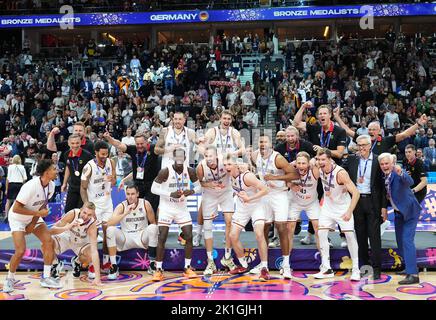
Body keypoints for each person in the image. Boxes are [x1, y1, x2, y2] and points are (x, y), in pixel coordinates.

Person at [3, 159, 62, 292]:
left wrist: (33, 222)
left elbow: (41, 205)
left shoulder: (51, 185)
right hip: (17, 218)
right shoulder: (30, 186)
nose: (56, 171)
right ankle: (10, 279)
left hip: (33, 217)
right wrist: (36, 214)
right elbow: (16, 208)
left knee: (48, 241)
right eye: (54, 169)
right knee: (20, 250)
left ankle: (46, 277)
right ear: (46, 172)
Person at [250, 135, 300, 279]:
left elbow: (294, 174)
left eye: (265, 142)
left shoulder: (277, 158)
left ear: (271, 145)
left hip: (279, 195)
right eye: (260, 142)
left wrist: (275, 178)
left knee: (281, 227)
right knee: (264, 228)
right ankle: (263, 263)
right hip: (264, 194)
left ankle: (286, 264)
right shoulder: (255, 156)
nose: (262, 144)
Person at [150, 148, 201, 281]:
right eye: (177, 156)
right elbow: (153, 188)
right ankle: (158, 269)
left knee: (189, 236)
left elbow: (199, 187)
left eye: (181, 156)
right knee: (162, 237)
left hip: (181, 208)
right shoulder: (165, 171)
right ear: (173, 157)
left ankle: (187, 267)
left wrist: (192, 191)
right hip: (167, 207)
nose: (179, 159)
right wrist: (169, 194)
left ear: (184, 158)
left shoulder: (190, 171)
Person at [343, 135, 387, 280]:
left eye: (363, 145)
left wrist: (383, 207)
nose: (361, 148)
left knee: (374, 238)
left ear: (370, 145)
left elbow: (382, 187)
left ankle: (376, 269)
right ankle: (365, 266)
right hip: (356, 202)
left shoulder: (378, 160)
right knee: (360, 237)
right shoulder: (352, 160)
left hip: (373, 202)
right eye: (359, 145)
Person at [313, 148, 361, 281]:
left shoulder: (340, 173)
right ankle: (326, 268)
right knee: (321, 233)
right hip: (328, 207)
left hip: (343, 208)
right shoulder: (318, 166)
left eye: (323, 159)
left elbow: (356, 193)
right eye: (318, 159)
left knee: (350, 235)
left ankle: (356, 269)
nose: (320, 162)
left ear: (330, 159)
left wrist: (349, 211)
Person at [223, 154, 270, 280]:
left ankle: (265, 268)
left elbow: (265, 190)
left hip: (256, 206)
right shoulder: (228, 175)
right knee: (233, 235)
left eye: (229, 164)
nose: (227, 167)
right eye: (225, 164)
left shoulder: (247, 176)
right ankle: (244, 265)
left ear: (236, 164)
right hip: (242, 208)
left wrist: (250, 198)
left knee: (259, 234)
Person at [379, 152, 421, 285]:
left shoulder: (397, 172)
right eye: (382, 164)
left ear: (392, 163)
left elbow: (411, 181)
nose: (385, 166)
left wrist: (401, 172)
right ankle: (408, 267)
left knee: (407, 240)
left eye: (387, 163)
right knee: (400, 241)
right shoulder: (383, 176)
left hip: (410, 211)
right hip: (398, 213)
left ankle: (413, 274)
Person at [196, 145, 236, 275]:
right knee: (208, 225)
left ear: (217, 155)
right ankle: (210, 261)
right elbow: (199, 183)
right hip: (210, 194)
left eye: (211, 156)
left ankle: (228, 257)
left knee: (229, 221)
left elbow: (236, 170)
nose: (209, 159)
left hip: (226, 192)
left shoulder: (225, 161)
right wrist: (209, 184)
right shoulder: (201, 167)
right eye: (206, 156)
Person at [106, 184, 158, 279]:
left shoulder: (145, 204)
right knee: (110, 230)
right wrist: (126, 212)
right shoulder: (121, 206)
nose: (130, 196)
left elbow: (153, 222)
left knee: (154, 227)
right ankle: (114, 266)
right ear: (125, 195)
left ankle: (152, 264)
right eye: (128, 194)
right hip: (126, 239)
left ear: (137, 194)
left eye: (133, 194)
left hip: (142, 237)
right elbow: (109, 223)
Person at [80, 141, 116, 275]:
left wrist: (112, 180)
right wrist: (87, 206)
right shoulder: (89, 167)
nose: (104, 156)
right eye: (102, 154)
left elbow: (114, 181)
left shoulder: (111, 162)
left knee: (108, 233)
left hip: (107, 203)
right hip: (94, 206)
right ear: (96, 153)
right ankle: (91, 264)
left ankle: (106, 261)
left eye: (106, 154)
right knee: (92, 235)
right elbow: (83, 188)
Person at [104, 132, 161, 213]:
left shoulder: (154, 149)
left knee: (151, 210)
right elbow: (119, 145)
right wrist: (109, 138)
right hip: (137, 184)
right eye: (137, 144)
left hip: (151, 185)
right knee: (133, 208)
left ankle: (151, 225)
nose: (139, 146)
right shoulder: (134, 149)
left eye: (141, 143)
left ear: (147, 142)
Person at [49, 202, 101, 284]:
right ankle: (55, 264)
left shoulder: (92, 224)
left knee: (91, 254)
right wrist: (68, 226)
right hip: (67, 237)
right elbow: (51, 230)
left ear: (93, 215)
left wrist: (98, 278)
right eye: (84, 212)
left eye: (89, 215)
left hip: (81, 243)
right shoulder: (72, 214)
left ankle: (77, 262)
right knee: (47, 242)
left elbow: (94, 251)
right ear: (81, 210)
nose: (86, 216)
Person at [286, 152, 321, 264]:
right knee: (289, 230)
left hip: (311, 203)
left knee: (318, 229)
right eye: (299, 163)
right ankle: (286, 262)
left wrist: (315, 161)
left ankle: (325, 262)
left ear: (308, 164)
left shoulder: (314, 170)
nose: (301, 166)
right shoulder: (291, 169)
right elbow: (283, 180)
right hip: (295, 202)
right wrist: (291, 185)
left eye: (303, 163)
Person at [54, 134, 94, 213]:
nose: (75, 145)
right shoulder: (66, 154)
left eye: (77, 143)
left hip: (84, 187)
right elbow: (68, 168)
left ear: (80, 143)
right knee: (68, 210)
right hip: (72, 186)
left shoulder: (87, 155)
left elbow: (92, 170)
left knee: (81, 210)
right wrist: (64, 183)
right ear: (68, 143)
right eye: (72, 143)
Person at [4, 155, 27, 222]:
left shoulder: (10, 167)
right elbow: (24, 179)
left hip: (11, 185)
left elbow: (7, 179)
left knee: (8, 201)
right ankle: (14, 217)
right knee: (17, 202)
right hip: (19, 185)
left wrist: (6, 189)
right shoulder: (22, 167)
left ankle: (6, 216)